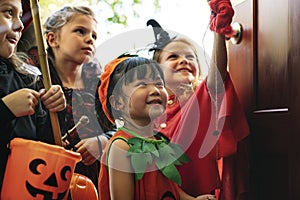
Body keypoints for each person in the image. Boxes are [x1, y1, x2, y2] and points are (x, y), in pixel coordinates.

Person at [146, 0, 250, 199]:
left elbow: (216, 79)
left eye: (190, 56)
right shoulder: (147, 112)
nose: (184, 60)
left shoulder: (199, 101)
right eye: (173, 57)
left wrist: (218, 31)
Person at [96, 55, 216, 200]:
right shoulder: (121, 146)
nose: (155, 90)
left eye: (159, 84)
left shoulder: (159, 142)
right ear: (118, 102)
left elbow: (171, 189)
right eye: (142, 84)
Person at [0, 0, 66, 191]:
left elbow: (43, 147)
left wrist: (53, 110)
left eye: (20, 15)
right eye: (8, 12)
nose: (20, 25)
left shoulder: (26, 79)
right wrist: (5, 109)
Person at [43, 6, 110, 188]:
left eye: (94, 36)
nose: (90, 39)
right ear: (53, 39)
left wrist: (102, 141)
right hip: (47, 180)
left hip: (94, 185)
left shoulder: (102, 87)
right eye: (80, 31)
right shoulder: (35, 81)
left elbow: (120, 128)